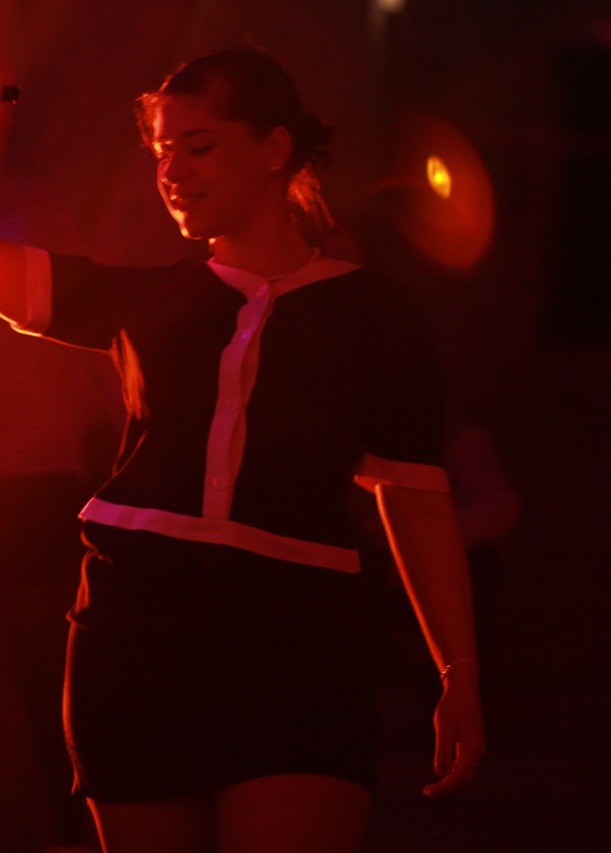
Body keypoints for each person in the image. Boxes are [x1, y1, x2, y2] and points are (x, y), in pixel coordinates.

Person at [0, 46, 485, 853]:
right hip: (137, 633)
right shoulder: (149, 298)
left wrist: (457, 672)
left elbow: (415, 497)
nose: (171, 171)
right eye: (162, 151)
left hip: (296, 645)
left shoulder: (372, 312)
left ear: (274, 148)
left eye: (198, 145)